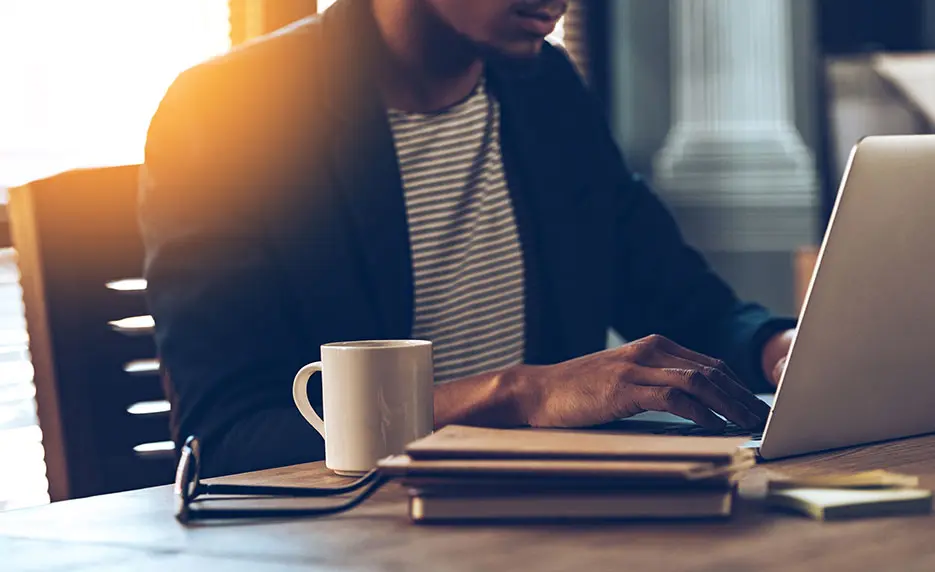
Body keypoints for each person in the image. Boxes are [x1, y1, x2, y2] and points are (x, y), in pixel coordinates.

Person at [139, 0, 796, 477]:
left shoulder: (545, 89)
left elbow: (675, 300)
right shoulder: (225, 109)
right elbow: (225, 435)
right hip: (348, 540)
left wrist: (779, 348)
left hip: (544, 523)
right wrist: (520, 394)